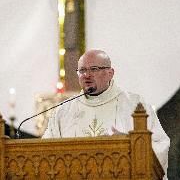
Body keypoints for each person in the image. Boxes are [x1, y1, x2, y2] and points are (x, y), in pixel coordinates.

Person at [42, 49, 170, 179]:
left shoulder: (135, 105)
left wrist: (130, 143)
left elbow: (159, 146)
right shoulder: (64, 112)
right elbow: (45, 153)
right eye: (82, 70)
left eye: (93, 69)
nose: (87, 75)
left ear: (110, 73)